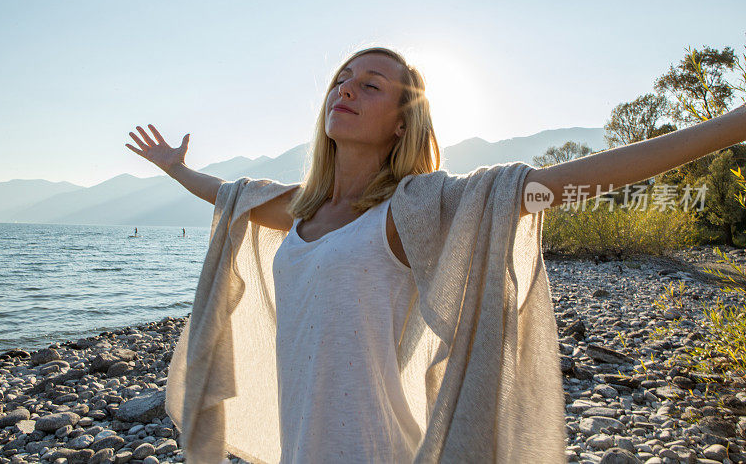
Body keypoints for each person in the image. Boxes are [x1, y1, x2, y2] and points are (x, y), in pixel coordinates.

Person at [126, 46, 746, 463]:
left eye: (370, 86)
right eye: (341, 79)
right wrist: (179, 169)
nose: (345, 89)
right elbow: (231, 198)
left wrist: (732, 126)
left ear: (402, 124)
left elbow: (553, 184)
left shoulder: (411, 209)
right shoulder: (302, 210)